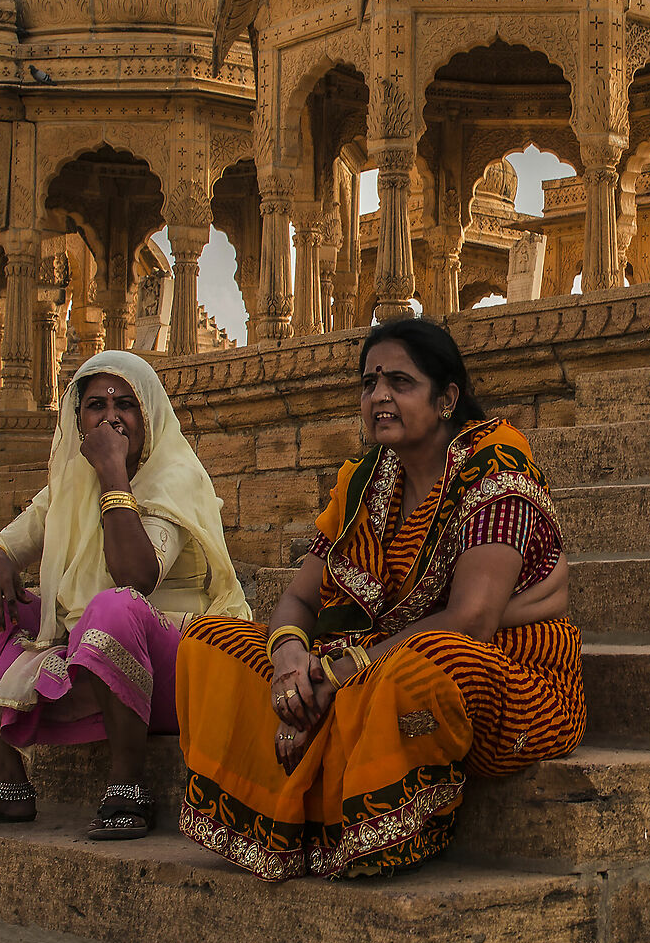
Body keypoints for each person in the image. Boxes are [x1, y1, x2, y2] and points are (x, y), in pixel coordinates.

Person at [175, 318, 584, 881]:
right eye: (370, 383)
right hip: (362, 656)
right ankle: (287, 809)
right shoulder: (363, 482)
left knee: (411, 678)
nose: (380, 397)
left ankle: (374, 822)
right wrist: (290, 662)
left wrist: (344, 669)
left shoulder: (496, 465)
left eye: (401, 381)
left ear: (447, 398)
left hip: (497, 669)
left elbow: (470, 621)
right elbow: (299, 598)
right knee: (207, 642)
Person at [0, 348, 249, 840]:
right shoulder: (70, 481)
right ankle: (5, 781)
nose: (111, 417)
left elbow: (136, 577)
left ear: (149, 415)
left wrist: (114, 476)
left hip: (177, 675)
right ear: (79, 419)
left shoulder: (175, 478)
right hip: (89, 661)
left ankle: (127, 785)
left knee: (114, 605)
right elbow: (9, 544)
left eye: (126, 405)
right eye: (97, 405)